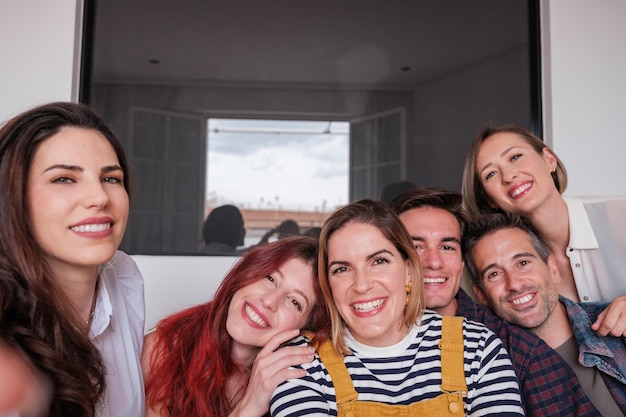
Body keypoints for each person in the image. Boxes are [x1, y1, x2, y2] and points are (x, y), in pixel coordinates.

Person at [271, 199, 524, 416]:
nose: (361, 285)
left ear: (408, 271)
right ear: (328, 284)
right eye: (342, 269)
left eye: (378, 261)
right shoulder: (299, 362)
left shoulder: (477, 348)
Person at [388, 186, 601, 416]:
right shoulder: (358, 337)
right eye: (417, 247)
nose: (434, 262)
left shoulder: (518, 351)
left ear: (460, 264)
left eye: (447, 247)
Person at [0, 101, 145, 417]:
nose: (99, 197)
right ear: (12, 197)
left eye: (111, 178)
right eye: (64, 179)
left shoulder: (123, 276)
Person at [462, 123, 626, 335]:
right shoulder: (506, 271)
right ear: (490, 200)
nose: (508, 176)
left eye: (515, 157)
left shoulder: (619, 214)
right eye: (491, 174)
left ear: (549, 159)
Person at [142, 236, 328, 417]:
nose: (269, 301)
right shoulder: (163, 348)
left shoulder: (301, 381)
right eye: (270, 278)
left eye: (294, 301)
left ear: (306, 327)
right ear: (247, 272)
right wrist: (249, 409)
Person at [463, 212, 626, 415]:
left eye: (523, 263)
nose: (514, 284)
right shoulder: (488, 372)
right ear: (481, 295)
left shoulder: (617, 324)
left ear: (553, 268)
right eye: (494, 274)